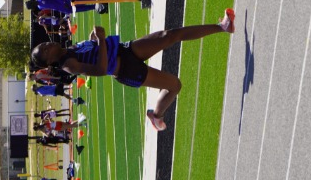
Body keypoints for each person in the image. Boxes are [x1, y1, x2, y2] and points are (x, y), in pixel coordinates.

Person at [30, 9, 236, 131]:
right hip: (127, 70)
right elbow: (101, 69)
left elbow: (94, 51)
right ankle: (156, 115)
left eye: (45, 44)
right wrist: (101, 40)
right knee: (175, 85)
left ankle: (222, 27)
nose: (48, 45)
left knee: (169, 35)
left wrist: (94, 39)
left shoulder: (70, 48)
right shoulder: (68, 64)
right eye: (46, 50)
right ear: (49, 62)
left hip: (126, 49)